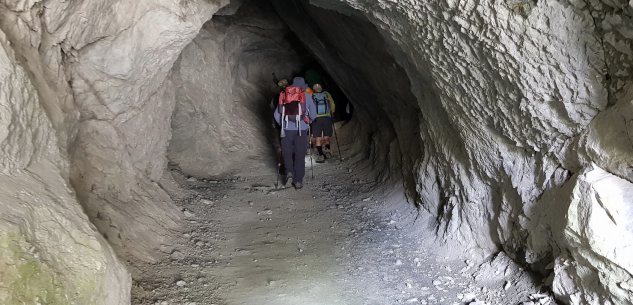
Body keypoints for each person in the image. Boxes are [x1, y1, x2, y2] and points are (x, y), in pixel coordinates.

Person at [274, 77, 317, 189]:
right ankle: (298, 181)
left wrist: (283, 124)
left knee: (287, 153)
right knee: (299, 155)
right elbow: (313, 114)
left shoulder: (283, 94)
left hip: (286, 129)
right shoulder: (306, 96)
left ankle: (289, 173)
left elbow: (276, 114)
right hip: (301, 130)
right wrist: (308, 122)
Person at [310, 83, 336, 163]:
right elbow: (332, 104)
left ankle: (321, 155)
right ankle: (328, 151)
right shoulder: (326, 94)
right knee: (326, 136)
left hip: (316, 118)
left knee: (318, 137)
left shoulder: (312, 95)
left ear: (314, 89)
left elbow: (309, 106)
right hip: (327, 117)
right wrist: (333, 112)